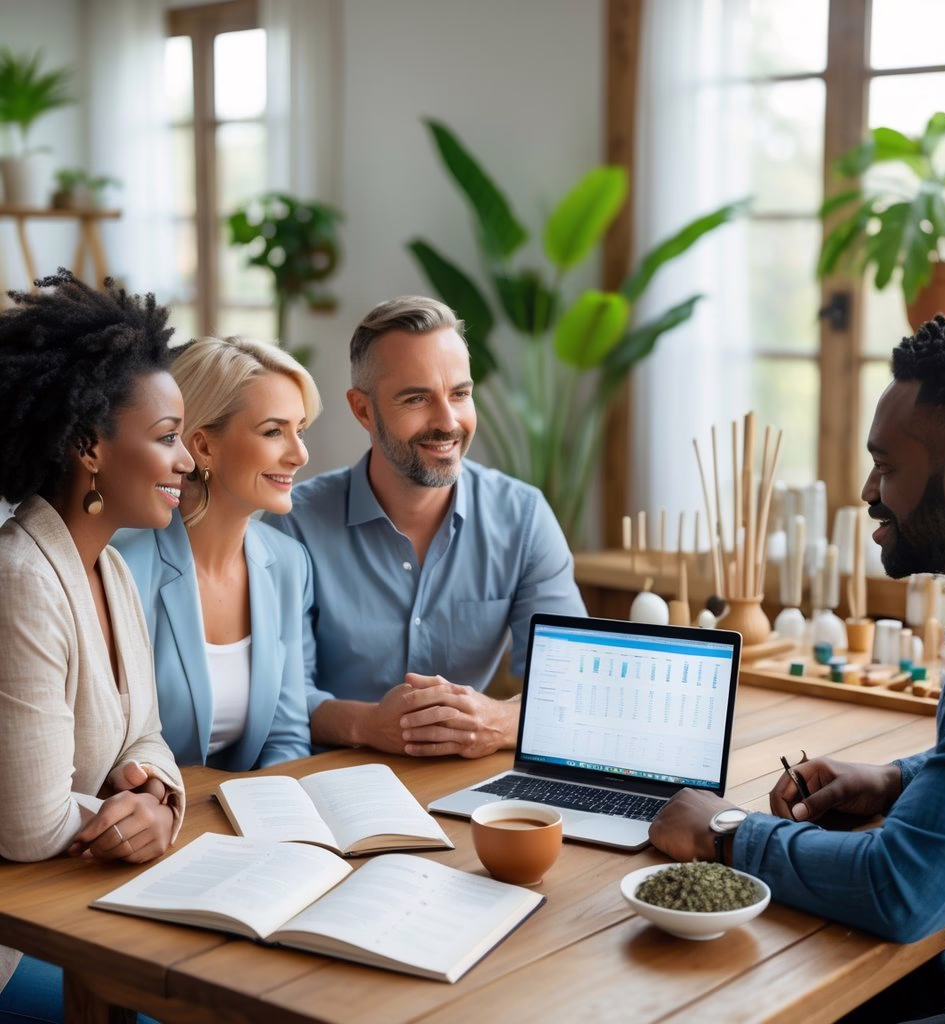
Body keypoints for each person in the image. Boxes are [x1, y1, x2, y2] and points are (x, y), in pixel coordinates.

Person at [649, 314, 945, 1023]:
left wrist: (724, 832)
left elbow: (903, 891)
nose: (867, 489)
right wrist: (894, 779)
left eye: (887, 465)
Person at [265, 295, 585, 759]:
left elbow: (571, 686)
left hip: (467, 784)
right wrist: (369, 725)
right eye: (417, 399)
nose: (448, 422)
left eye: (459, 394)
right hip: (338, 781)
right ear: (363, 411)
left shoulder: (524, 517)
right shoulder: (294, 526)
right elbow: (284, 699)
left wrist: (495, 722)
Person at [0, 271, 190, 1021]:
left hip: (73, 904)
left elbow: (146, 733)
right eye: (168, 439)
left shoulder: (109, 567)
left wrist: (162, 801)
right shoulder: (22, 578)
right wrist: (131, 813)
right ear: (88, 445)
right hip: (16, 943)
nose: (186, 462)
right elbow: (29, 825)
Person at [114, 336, 320, 770]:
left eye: (299, 430)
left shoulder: (288, 563)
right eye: (273, 432)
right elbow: (110, 748)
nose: (300, 454)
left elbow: (287, 734)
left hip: (252, 817)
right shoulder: (122, 567)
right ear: (203, 447)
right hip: (150, 814)